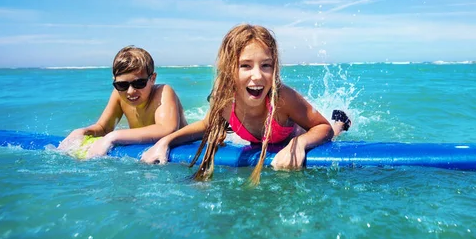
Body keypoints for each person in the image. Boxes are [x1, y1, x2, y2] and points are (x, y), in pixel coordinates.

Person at [140, 24, 350, 185]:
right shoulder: (225, 99)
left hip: (294, 132)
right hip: (261, 138)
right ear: (229, 68)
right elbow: (205, 126)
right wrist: (165, 142)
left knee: (332, 130)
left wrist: (299, 144)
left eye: (266, 65)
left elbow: (321, 127)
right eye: (246, 66)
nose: (257, 76)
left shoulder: (282, 99)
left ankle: (341, 122)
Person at [58, 46, 187, 158]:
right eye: (122, 85)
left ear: (152, 79)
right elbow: (104, 128)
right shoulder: (119, 96)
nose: (130, 91)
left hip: (183, 147)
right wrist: (83, 131)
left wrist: (113, 137)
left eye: (139, 83)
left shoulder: (163, 92)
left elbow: (166, 129)